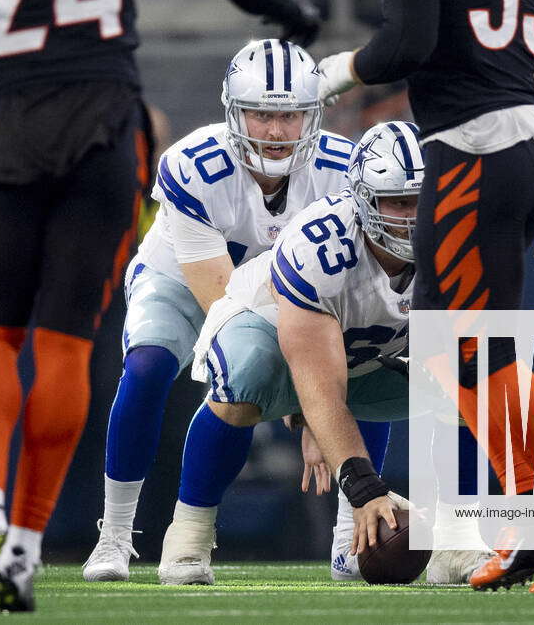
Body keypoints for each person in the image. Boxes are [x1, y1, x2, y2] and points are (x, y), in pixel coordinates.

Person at [0, 0, 320, 612]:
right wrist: (289, 13)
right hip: (108, 132)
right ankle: (22, 543)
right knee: (65, 348)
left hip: (14, 129)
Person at [315, 0, 534, 593]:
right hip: (502, 146)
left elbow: (407, 42)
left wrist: (333, 73)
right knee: (455, 354)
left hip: (470, 151)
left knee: (476, 359)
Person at [79, 39, 389, 584]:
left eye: (289, 115)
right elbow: (225, 304)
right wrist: (309, 406)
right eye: (261, 114)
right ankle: (115, 536)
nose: (274, 131)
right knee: (150, 367)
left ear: (312, 114)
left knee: (368, 360)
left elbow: (342, 295)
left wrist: (328, 403)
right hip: (185, 283)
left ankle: (349, 539)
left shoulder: (345, 170)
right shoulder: (192, 165)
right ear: (234, 111)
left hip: (301, 303)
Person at [155, 121, 419, 584]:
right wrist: (363, 485)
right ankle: (190, 531)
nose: (412, 217)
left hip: (373, 345)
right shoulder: (320, 247)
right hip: (265, 323)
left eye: (424, 200)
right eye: (398, 201)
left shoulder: (463, 239)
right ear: (363, 199)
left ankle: (441, 535)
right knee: (246, 380)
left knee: (472, 385)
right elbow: (318, 382)